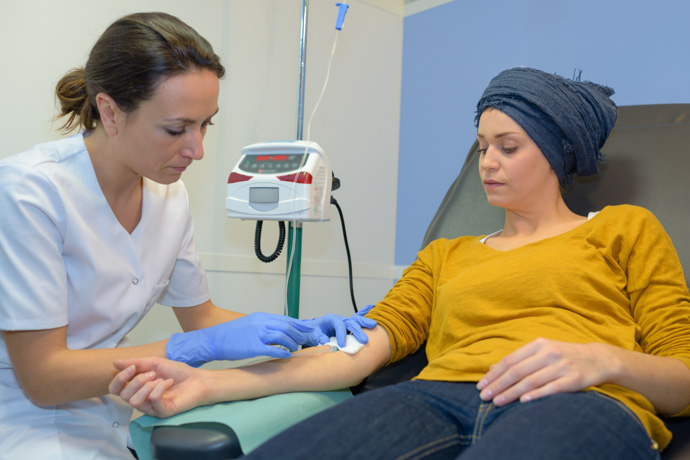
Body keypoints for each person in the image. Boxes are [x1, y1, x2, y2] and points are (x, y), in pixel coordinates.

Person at [110, 67, 690, 459]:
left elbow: (683, 380)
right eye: (482, 145)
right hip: (436, 396)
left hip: (582, 401)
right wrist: (208, 384)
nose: (487, 161)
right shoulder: (447, 254)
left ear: (561, 152)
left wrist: (600, 360)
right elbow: (354, 354)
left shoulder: (624, 228)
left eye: (508, 146)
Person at [0, 12, 374, 460]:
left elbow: (201, 317)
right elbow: (44, 377)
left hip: (110, 409)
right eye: (176, 129)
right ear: (110, 112)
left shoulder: (168, 195)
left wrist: (305, 330)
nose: (197, 150)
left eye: (206, 125)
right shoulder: (28, 193)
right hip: (22, 417)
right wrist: (194, 348)